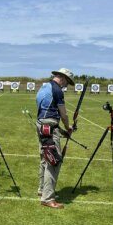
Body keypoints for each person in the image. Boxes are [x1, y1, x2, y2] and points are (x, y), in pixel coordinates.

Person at [35, 68, 74, 209]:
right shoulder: (57, 90)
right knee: (53, 161)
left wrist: (61, 130)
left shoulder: (44, 86)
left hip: (41, 124)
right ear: (62, 78)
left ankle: (42, 190)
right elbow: (63, 114)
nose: (66, 86)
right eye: (67, 83)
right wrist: (68, 127)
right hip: (49, 127)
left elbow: (46, 112)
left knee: (45, 159)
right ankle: (48, 198)